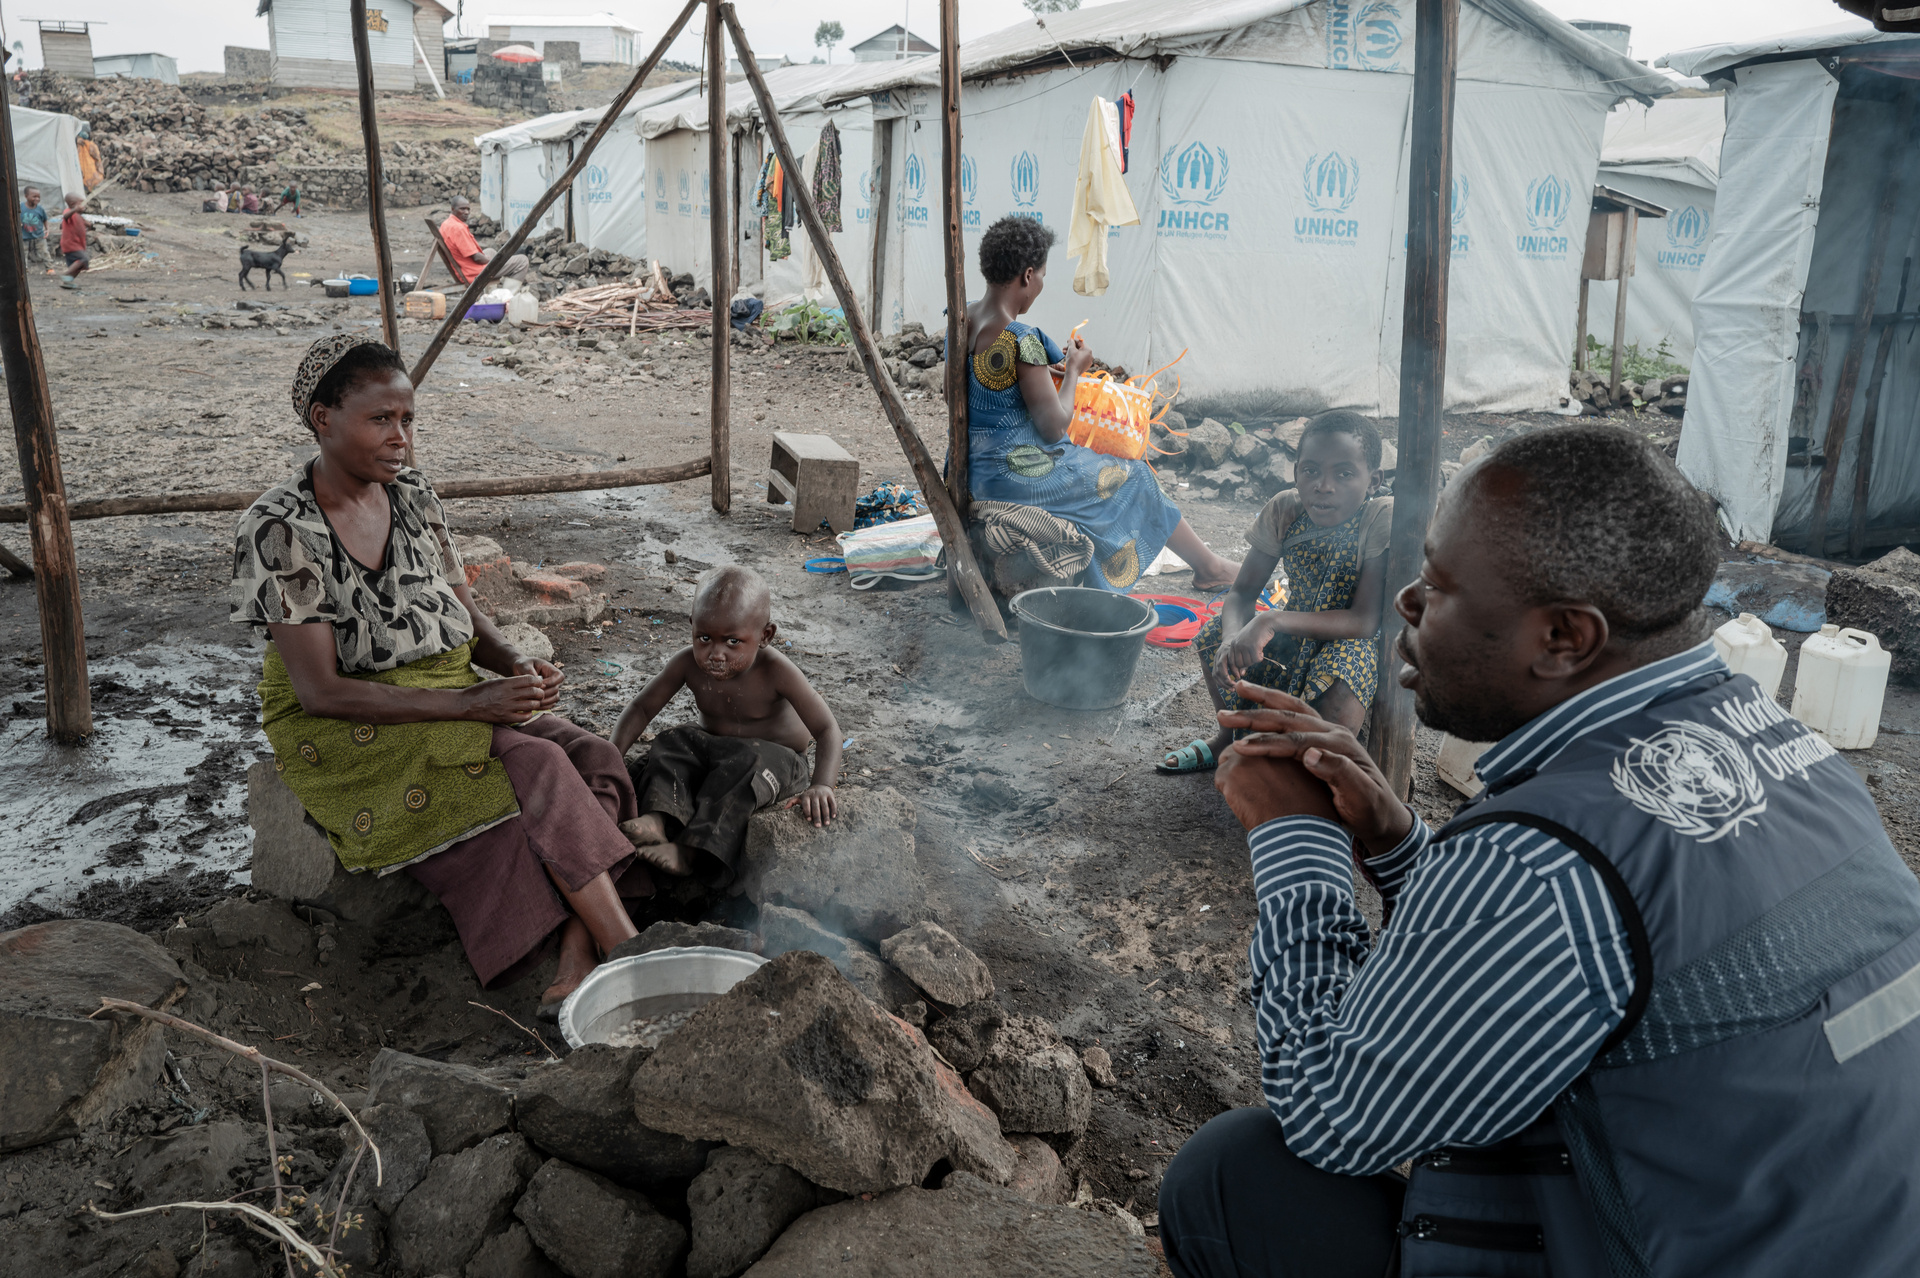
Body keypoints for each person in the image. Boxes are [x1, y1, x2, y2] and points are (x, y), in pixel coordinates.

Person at [1157, 424, 1920, 1278]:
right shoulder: (1783, 740)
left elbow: (1333, 1115)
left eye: (1438, 587)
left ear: (1565, 639)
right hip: (1835, 1229)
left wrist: (1293, 839)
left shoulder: (1541, 863)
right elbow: (1584, 954)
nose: (1405, 603)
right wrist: (1400, 840)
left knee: (1232, 1177)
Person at [230, 333, 653, 1010]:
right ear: (322, 419)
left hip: (447, 687)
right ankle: (631, 956)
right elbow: (320, 691)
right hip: (346, 722)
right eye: (381, 420)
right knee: (538, 765)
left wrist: (514, 662)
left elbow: (463, 614)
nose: (402, 439)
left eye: (408, 420)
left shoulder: (414, 496)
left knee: (596, 756)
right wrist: (473, 707)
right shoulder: (279, 529)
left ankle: (579, 949)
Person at [964, 216, 1239, 592]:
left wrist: (1044, 373)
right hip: (1013, 479)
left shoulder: (963, 317)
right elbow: (1055, 426)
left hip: (972, 466)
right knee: (1135, 475)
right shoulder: (1020, 339)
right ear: (1028, 275)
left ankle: (1204, 565)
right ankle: (1209, 568)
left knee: (1095, 465)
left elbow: (988, 391)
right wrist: (1075, 370)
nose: (1041, 285)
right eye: (1043, 275)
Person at [1159, 411, 1391, 773]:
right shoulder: (1286, 509)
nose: (1323, 486)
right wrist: (1232, 639)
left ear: (1374, 480)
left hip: (1349, 641)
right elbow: (1240, 593)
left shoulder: (1378, 518)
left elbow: (1363, 621)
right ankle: (1227, 738)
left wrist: (1271, 620)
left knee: (1346, 667)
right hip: (1289, 634)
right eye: (1311, 471)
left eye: (1344, 474)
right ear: (1296, 470)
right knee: (1216, 633)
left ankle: (1321, 775)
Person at [610, 566, 841, 882]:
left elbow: (827, 729)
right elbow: (641, 707)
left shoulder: (776, 671)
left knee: (745, 767)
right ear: (692, 626)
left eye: (733, 641)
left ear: (765, 636)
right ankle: (658, 819)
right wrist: (609, 755)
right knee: (672, 740)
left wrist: (822, 784)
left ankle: (689, 853)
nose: (715, 654)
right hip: (716, 746)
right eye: (704, 638)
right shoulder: (687, 663)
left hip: (775, 760)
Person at [440, 196, 536, 288]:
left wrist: (489, 258)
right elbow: (477, 258)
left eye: (468, 209)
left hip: (464, 267)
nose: (466, 212)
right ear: (453, 209)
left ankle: (490, 292)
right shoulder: (458, 228)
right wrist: (491, 261)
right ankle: (507, 295)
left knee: (490, 251)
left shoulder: (447, 224)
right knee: (522, 261)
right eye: (462, 209)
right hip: (472, 273)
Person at [57, 194, 89, 290]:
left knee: (80, 265)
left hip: (78, 244)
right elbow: (65, 216)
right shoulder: (68, 212)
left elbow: (85, 223)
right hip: (71, 244)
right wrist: (75, 209)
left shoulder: (78, 215)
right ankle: (65, 275)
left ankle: (67, 282)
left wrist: (90, 225)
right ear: (73, 204)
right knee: (84, 259)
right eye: (81, 203)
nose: (83, 205)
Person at [19, 187, 49, 270]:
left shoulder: (40, 209)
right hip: (24, 235)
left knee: (44, 251)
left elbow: (45, 219)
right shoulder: (20, 207)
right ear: (26, 196)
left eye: (38, 197)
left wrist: (47, 229)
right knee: (23, 253)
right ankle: (24, 269)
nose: (37, 199)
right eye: (34, 196)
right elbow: (16, 217)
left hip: (38, 235)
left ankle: (49, 267)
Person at [75, 123, 102, 190]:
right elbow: (97, 158)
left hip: (80, 170)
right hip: (89, 170)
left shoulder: (76, 144)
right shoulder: (90, 145)